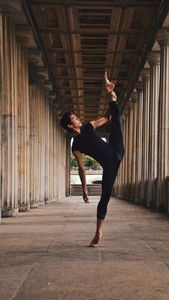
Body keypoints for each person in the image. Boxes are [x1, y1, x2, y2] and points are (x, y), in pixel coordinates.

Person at [60, 72, 124, 247]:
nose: (78, 119)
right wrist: (84, 189)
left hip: (116, 149)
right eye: (75, 119)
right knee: (105, 198)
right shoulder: (75, 146)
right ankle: (98, 232)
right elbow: (81, 168)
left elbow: (107, 117)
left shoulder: (89, 126)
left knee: (116, 120)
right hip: (110, 165)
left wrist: (109, 96)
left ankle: (110, 92)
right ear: (70, 125)